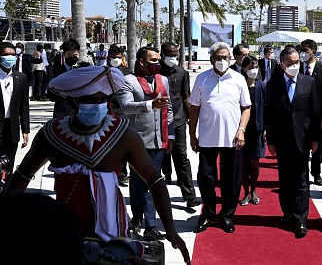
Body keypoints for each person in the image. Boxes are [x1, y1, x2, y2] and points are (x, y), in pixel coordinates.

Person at [5, 66, 191, 264]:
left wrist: (170, 229)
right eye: (89, 100)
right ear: (71, 101)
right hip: (64, 232)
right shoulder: (50, 134)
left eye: (103, 100)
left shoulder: (124, 134)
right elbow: (22, 175)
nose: (98, 105)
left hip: (113, 233)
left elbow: (154, 180)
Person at [188, 42, 251, 234]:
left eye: (225, 58)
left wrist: (241, 130)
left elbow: (246, 107)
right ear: (211, 59)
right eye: (218, 58)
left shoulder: (239, 79)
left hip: (232, 139)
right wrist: (192, 134)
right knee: (206, 178)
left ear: (230, 59)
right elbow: (195, 108)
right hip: (207, 138)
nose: (222, 61)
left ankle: (226, 215)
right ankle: (207, 214)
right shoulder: (202, 79)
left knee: (231, 180)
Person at [117, 46, 173, 241]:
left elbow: (170, 109)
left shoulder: (163, 81)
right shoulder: (128, 81)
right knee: (136, 182)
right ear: (142, 62)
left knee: (152, 182)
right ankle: (137, 217)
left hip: (159, 141)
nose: (158, 64)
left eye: (159, 60)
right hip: (137, 141)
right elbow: (125, 107)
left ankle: (150, 225)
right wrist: (150, 105)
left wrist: (171, 135)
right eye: (154, 61)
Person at [266, 46, 318, 238]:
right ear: (282, 64)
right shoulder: (273, 84)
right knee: (285, 178)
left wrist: (315, 139)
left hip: (303, 139)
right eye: (290, 63)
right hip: (281, 139)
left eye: (297, 62)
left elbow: (314, 112)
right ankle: (287, 211)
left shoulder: (309, 82)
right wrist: (270, 140)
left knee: (302, 179)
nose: (294, 65)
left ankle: (301, 218)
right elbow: (269, 114)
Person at [158, 42, 202, 208]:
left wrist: (192, 117)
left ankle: (189, 195)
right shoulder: (155, 72)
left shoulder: (181, 72)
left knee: (181, 158)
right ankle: (160, 185)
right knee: (159, 157)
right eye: (170, 54)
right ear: (162, 54)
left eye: (175, 55)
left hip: (178, 121)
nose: (173, 58)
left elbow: (185, 96)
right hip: (158, 122)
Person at [299, 39, 322, 185]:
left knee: (317, 146)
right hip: (301, 116)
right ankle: (302, 173)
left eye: (305, 51)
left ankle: (316, 173)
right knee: (302, 146)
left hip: (318, 117)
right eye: (301, 50)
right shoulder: (297, 68)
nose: (303, 54)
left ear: (313, 51)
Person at [0, 42, 30, 189]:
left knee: (8, 166)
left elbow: (24, 106)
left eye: (13, 55)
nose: (10, 58)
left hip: (11, 129)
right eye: (6, 55)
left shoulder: (21, 77)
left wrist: (25, 129)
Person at [239, 55, 266, 206]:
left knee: (254, 163)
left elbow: (267, 108)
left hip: (257, 130)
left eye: (256, 67)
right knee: (243, 163)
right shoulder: (239, 86)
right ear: (244, 69)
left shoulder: (262, 86)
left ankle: (253, 189)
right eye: (251, 67)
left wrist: (266, 129)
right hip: (241, 129)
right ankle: (245, 192)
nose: (254, 70)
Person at [107, 44, 133, 186]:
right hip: (108, 111)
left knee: (122, 145)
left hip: (123, 112)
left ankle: (123, 174)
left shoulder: (127, 72)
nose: (115, 59)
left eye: (118, 57)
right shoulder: (104, 71)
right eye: (113, 57)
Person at [49, 39, 81, 118]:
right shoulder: (55, 71)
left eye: (75, 55)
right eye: (69, 55)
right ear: (63, 54)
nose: (72, 58)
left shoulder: (84, 70)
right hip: (62, 114)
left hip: (82, 114)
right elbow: (51, 95)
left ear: (79, 54)